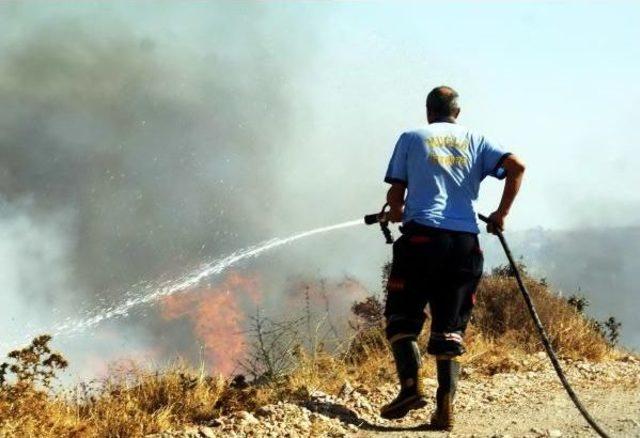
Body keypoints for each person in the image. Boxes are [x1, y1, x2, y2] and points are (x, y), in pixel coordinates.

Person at [379, 86, 526, 430]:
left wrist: (396, 210)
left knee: (401, 317)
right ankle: (445, 407)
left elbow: (396, 193)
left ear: (429, 111)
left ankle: (410, 389)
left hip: (421, 240)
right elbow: (517, 167)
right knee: (449, 328)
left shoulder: (412, 137)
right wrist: (501, 213)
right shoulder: (476, 139)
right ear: (457, 113)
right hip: (464, 245)